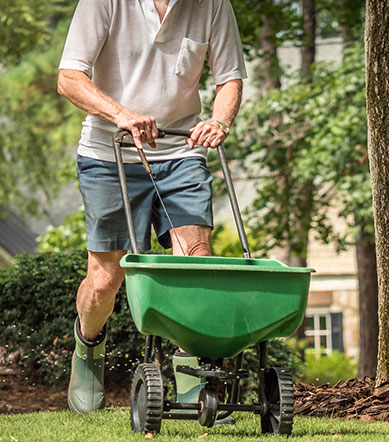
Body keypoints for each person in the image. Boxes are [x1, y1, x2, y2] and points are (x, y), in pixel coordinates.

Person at [57, 0, 247, 413]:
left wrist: (219, 121)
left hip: (182, 151)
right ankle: (88, 347)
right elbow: (69, 78)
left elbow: (229, 78)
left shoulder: (213, 5)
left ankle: (191, 372)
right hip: (110, 152)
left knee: (194, 262)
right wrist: (121, 113)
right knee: (106, 278)